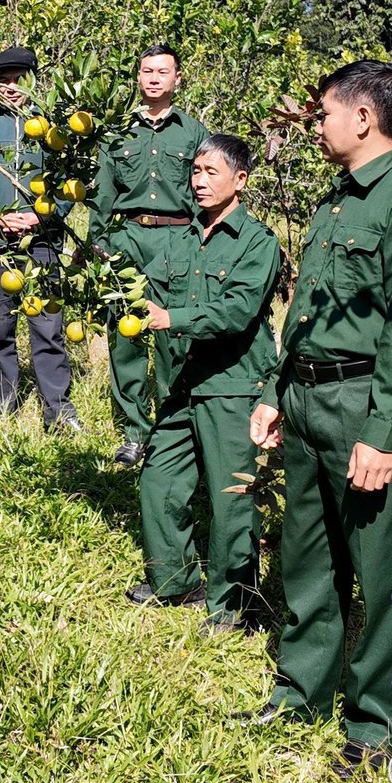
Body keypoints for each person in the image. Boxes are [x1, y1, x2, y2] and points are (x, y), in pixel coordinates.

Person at [243, 60, 392, 779]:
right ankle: (301, 692)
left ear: (363, 118)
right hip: (305, 398)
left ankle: (376, 725)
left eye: (326, 111)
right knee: (307, 559)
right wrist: (274, 389)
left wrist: (381, 432)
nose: (317, 123)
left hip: (365, 402)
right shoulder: (335, 202)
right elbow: (304, 313)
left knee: (379, 569)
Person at [129, 134, 278, 633]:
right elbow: (142, 289)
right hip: (184, 382)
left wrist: (170, 317)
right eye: (195, 171)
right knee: (160, 479)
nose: (199, 181)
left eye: (212, 172)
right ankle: (175, 581)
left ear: (240, 180)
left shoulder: (257, 243)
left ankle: (233, 606)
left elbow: (235, 311)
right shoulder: (180, 238)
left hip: (234, 385)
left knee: (231, 497)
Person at [87, 44, 207, 468]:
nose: (154, 78)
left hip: (177, 242)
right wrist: (97, 245)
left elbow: (204, 193)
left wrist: (201, 245)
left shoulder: (194, 133)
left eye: (163, 71)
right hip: (126, 240)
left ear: (177, 79)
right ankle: (135, 431)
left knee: (174, 338)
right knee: (126, 336)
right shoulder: (117, 131)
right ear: (137, 78)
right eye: (146, 71)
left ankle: (172, 430)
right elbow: (102, 194)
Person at [0, 44, 79, 429]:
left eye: (19, 79)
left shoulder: (52, 129)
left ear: (33, 81)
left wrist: (44, 216)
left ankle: (57, 410)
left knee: (48, 328)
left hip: (42, 244)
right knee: (0, 329)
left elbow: (67, 183)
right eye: (3, 80)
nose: (11, 88)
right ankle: (5, 408)